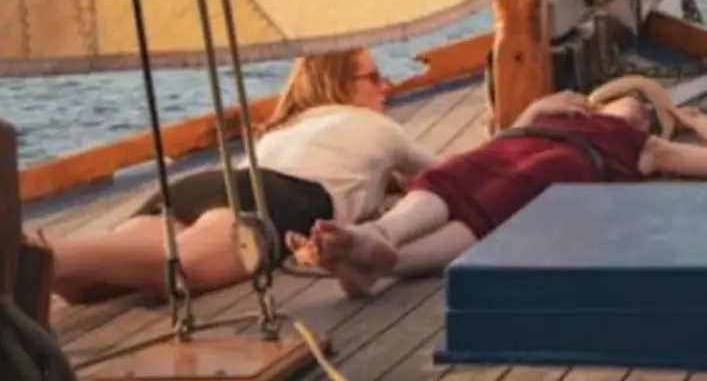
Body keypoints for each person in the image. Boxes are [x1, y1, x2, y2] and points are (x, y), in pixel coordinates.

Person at [46, 47, 436, 305]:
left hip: (208, 184)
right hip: (283, 195)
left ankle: (46, 255)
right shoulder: (379, 126)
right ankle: (36, 253)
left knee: (83, 286)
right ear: (338, 84)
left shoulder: (288, 125)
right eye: (373, 77)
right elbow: (447, 176)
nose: (386, 86)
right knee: (184, 267)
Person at [287, 88, 707, 297]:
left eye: (650, 109)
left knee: (490, 208)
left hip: (556, 164)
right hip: (503, 150)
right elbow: (502, 137)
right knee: (452, 179)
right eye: (637, 97)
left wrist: (701, 124)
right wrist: (534, 109)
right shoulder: (558, 112)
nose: (643, 108)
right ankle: (371, 248)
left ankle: (372, 252)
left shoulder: (645, 146)